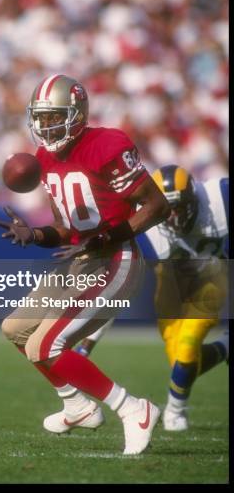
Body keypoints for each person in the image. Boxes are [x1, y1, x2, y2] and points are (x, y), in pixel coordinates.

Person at [0, 74, 171, 454]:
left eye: (53, 116)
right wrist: (37, 235)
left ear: (77, 114)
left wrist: (108, 237)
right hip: (83, 259)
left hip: (117, 257)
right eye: (40, 118)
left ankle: (133, 409)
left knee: (46, 344)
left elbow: (158, 206)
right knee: (16, 329)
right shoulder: (45, 157)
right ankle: (76, 405)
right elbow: (65, 227)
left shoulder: (106, 145)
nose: (45, 126)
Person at [58, 165, 229, 433]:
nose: (171, 217)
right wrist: (88, 344)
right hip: (172, 286)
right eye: (166, 209)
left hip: (212, 278)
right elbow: (118, 291)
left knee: (188, 343)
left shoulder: (221, 197)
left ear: (194, 199)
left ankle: (175, 410)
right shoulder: (148, 232)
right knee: (182, 363)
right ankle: (225, 348)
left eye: (179, 208)